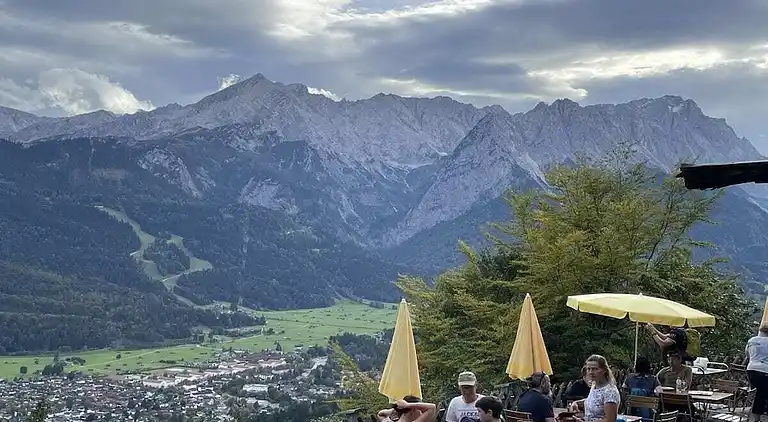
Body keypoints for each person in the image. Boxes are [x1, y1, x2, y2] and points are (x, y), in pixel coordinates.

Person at [569, 355, 620, 422]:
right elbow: (595, 401)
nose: (591, 372)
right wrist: (576, 403)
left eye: (595, 369)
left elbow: (610, 420)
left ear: (604, 370)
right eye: (588, 369)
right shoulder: (594, 385)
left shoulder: (610, 392)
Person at [745, 324, 768, 421]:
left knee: (757, 393)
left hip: (751, 369)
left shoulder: (752, 340)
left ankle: (756, 418)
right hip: (764, 370)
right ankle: (757, 419)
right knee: (762, 395)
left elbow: (747, 354)